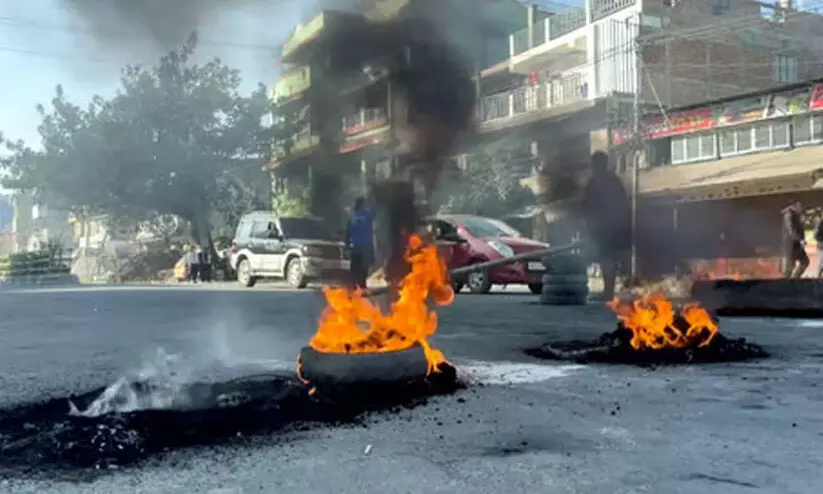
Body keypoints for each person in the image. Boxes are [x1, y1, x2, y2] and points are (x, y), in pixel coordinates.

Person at [581, 151, 632, 300]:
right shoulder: (614, 180)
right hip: (616, 226)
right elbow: (623, 204)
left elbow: (587, 205)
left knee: (607, 259)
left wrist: (588, 223)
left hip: (605, 228)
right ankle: (614, 289)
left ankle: (609, 291)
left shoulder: (596, 182)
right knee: (614, 258)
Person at [346, 196, 377, 291]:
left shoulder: (352, 217)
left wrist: (347, 244)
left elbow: (348, 232)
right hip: (366, 245)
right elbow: (375, 210)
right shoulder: (367, 215)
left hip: (355, 245)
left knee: (355, 266)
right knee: (364, 266)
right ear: (363, 205)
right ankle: (362, 284)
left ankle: (354, 285)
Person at [782, 200, 809, 278]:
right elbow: (791, 230)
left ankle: (794, 279)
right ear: (794, 206)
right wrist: (800, 239)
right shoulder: (788, 215)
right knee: (791, 266)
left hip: (796, 244)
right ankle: (786, 283)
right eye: (800, 206)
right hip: (791, 244)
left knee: (804, 262)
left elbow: (798, 229)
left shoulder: (796, 215)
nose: (801, 208)